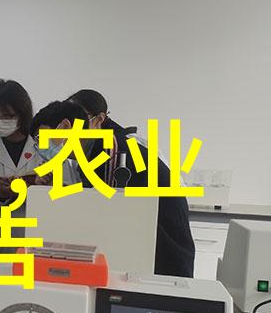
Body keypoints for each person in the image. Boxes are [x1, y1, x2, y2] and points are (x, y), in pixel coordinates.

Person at [66, 89, 195, 278]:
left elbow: (104, 209)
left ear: (99, 119)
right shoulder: (104, 145)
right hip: (148, 236)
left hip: (161, 240)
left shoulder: (113, 149)